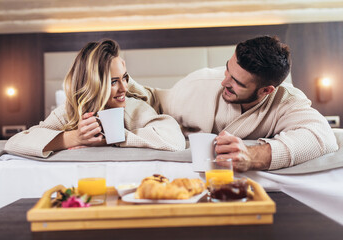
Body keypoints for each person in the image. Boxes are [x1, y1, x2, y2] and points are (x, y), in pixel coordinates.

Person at [127, 35, 338, 172]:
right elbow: (154, 100)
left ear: (266, 90)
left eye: (236, 83)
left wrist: (253, 155)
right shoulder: (198, 86)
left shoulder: (287, 100)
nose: (223, 81)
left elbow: (323, 136)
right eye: (228, 68)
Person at [5, 39, 186, 158]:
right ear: (92, 85)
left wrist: (114, 137)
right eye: (114, 81)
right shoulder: (69, 112)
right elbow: (15, 142)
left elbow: (175, 140)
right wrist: (74, 138)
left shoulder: (134, 108)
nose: (124, 88)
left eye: (125, 78)